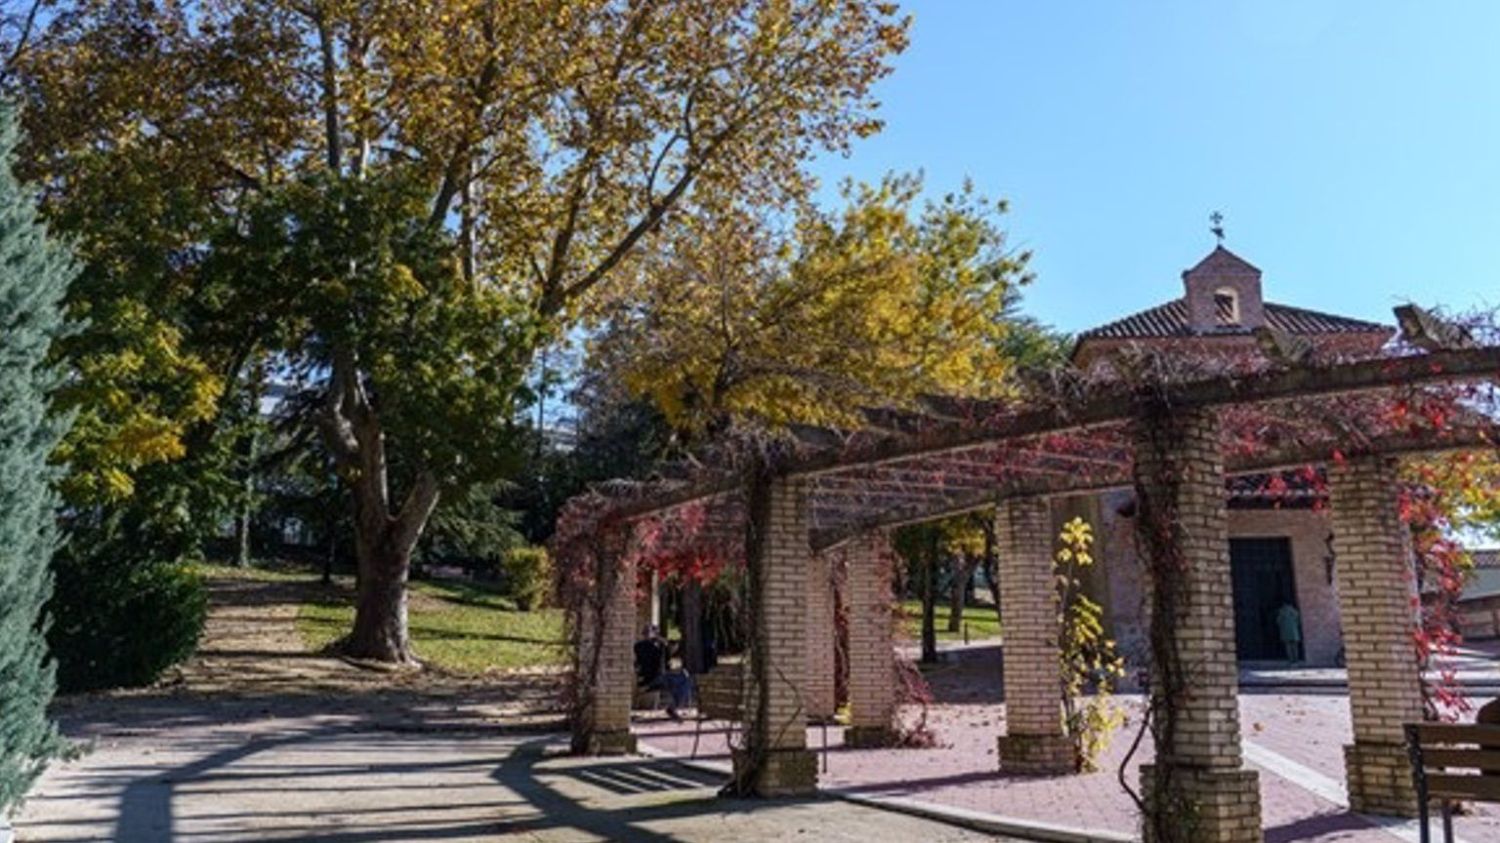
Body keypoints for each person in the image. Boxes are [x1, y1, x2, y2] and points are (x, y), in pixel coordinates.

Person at [633, 625, 692, 720]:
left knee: (677, 683)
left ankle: (673, 707)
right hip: (655, 678)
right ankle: (673, 707)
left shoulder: (638, 646)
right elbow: (664, 659)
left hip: (649, 678)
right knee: (684, 680)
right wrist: (663, 643)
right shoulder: (653, 647)